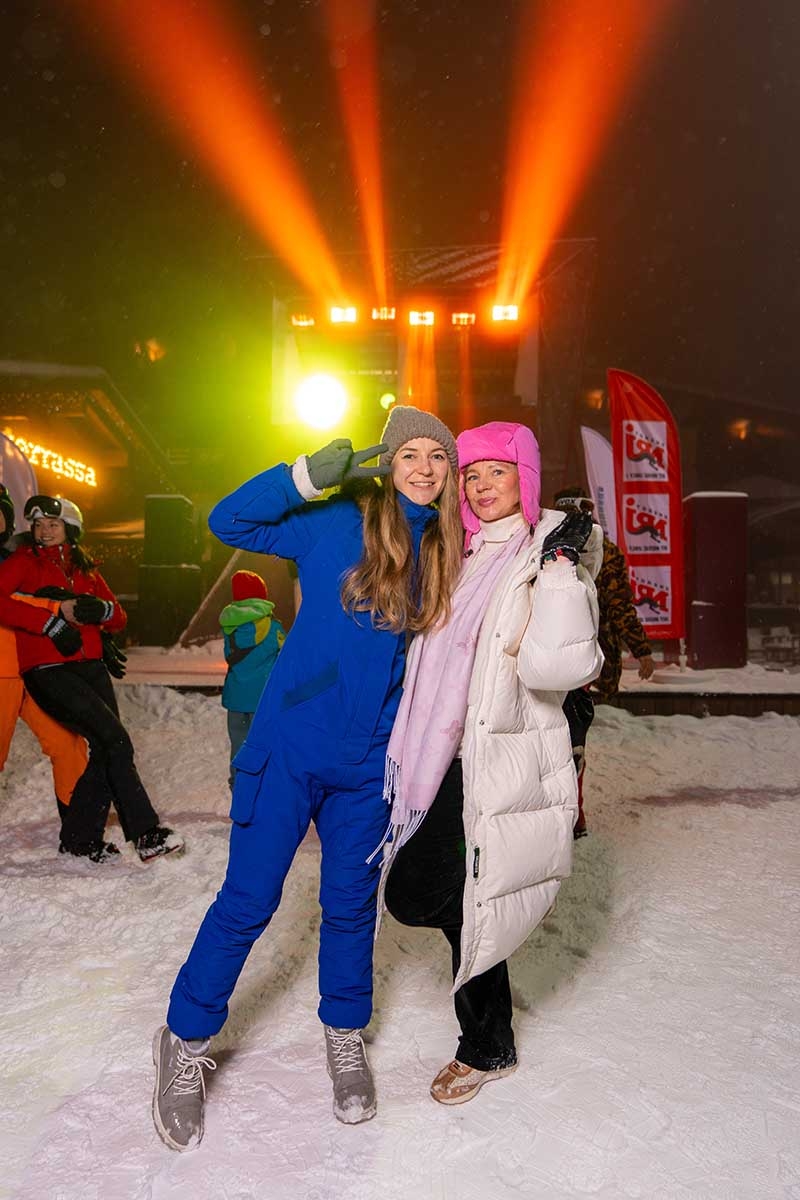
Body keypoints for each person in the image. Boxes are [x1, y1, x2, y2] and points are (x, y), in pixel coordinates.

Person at [152, 406, 462, 1150]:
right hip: (290, 751)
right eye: (410, 454)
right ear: (386, 463)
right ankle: (183, 1040)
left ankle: (345, 1036)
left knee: (351, 909)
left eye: (438, 456)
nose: (424, 468)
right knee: (248, 902)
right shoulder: (334, 522)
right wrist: (300, 477)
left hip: (368, 767)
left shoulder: (447, 550)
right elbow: (229, 520)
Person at [383, 422, 603, 1106]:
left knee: (440, 894)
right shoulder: (465, 552)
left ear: (525, 479)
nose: (481, 487)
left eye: (497, 473)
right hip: (441, 755)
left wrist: (562, 571)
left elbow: (557, 668)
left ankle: (486, 1044)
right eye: (471, 475)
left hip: (496, 758)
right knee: (423, 894)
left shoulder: (546, 557)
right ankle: (489, 1007)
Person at [0, 494, 184, 864]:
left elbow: (118, 617)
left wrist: (102, 611)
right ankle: (145, 833)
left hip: (90, 666)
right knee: (114, 739)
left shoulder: (85, 568)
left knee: (106, 747)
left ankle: (80, 840)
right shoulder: (23, 561)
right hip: (48, 668)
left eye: (53, 524)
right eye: (38, 525)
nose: (44, 531)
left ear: (70, 528)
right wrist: (49, 622)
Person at [553, 486, 655, 836]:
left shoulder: (595, 551)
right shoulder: (547, 545)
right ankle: (569, 815)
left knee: (565, 741)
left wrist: (640, 648)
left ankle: (569, 815)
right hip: (563, 662)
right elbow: (619, 604)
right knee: (568, 741)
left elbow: (618, 604)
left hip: (570, 662)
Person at [0, 485, 88, 807]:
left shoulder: (21, 558)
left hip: (32, 668)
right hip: (2, 673)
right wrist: (53, 610)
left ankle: (80, 820)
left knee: (67, 742)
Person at [220, 569, 285, 790]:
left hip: (236, 699)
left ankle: (239, 787)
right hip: (262, 698)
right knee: (263, 745)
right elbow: (287, 655)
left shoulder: (230, 626)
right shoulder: (273, 627)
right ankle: (262, 788)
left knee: (238, 744)